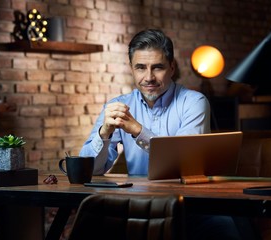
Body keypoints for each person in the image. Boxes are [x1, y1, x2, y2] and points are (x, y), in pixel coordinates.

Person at [79, 29, 259, 239]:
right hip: (138, 208)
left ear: (172, 67)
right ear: (131, 69)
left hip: (190, 206)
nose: (149, 77)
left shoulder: (194, 102)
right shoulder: (117, 106)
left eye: (158, 67)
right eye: (140, 68)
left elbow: (183, 162)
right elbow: (88, 170)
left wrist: (137, 130)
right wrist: (104, 134)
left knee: (226, 227)